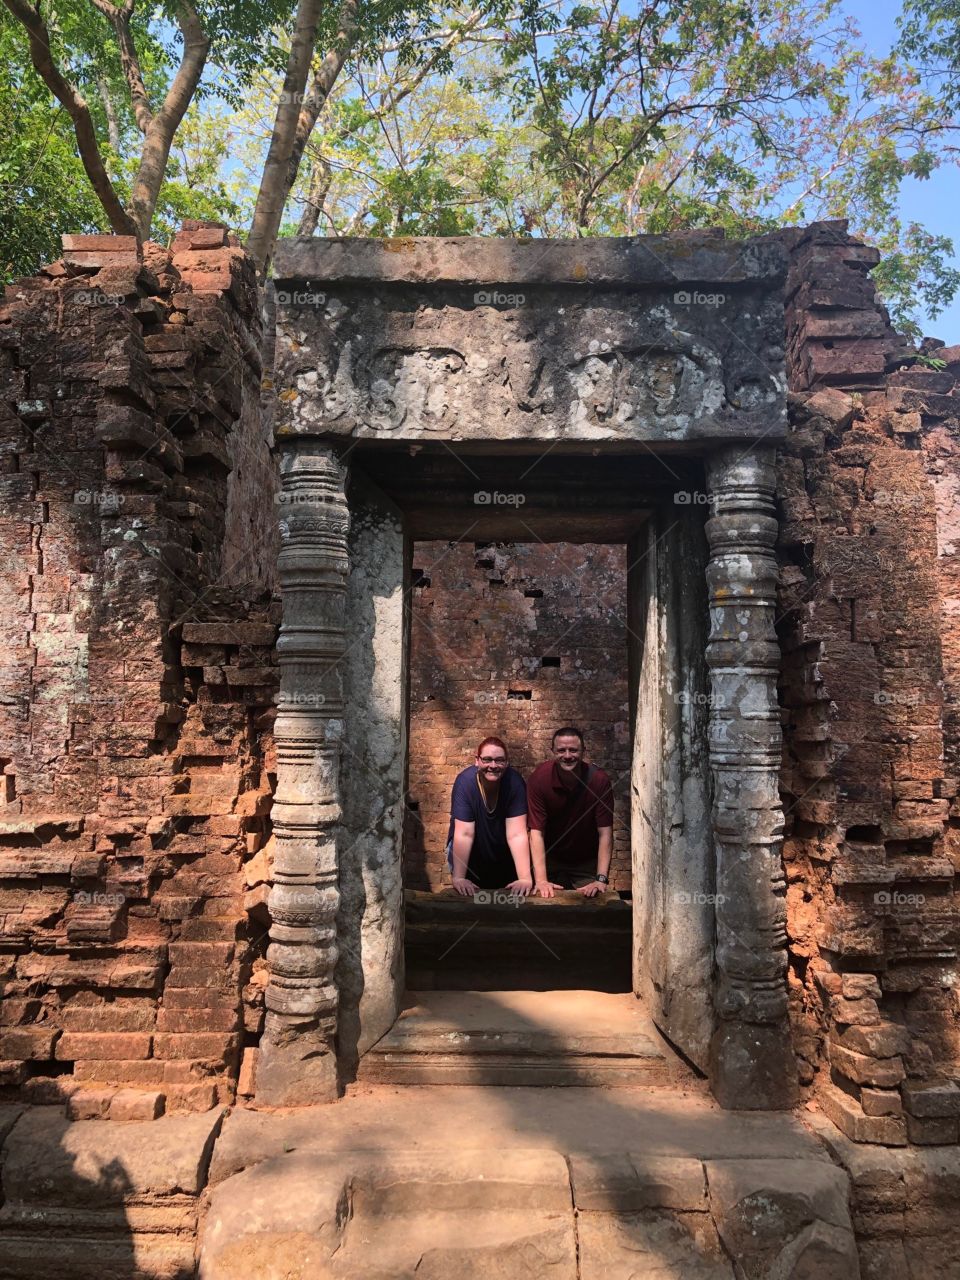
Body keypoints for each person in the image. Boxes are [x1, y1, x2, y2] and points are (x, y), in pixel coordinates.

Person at [527, 726, 614, 898]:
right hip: (549, 858)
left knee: (595, 903)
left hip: (585, 860)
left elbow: (605, 833)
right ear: (553, 751)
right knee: (540, 903)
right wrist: (541, 880)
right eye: (561, 750)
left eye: (573, 750)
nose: (567, 756)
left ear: (583, 752)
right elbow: (536, 833)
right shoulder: (539, 779)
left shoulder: (599, 781)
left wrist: (601, 879)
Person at [446, 736, 533, 896]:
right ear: (477, 761)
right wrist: (459, 877)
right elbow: (464, 834)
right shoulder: (465, 783)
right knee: (470, 895)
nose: (493, 765)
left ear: (506, 762)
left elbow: (516, 834)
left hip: (501, 846)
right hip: (472, 850)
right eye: (487, 759)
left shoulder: (514, 783)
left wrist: (525, 878)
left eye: (499, 760)